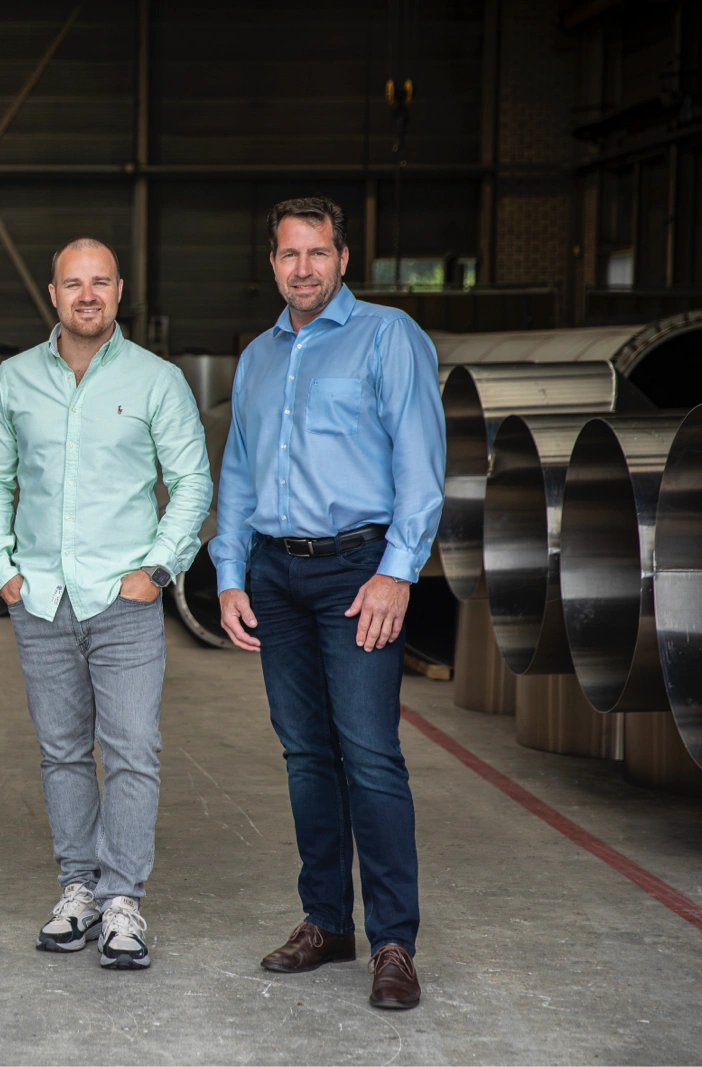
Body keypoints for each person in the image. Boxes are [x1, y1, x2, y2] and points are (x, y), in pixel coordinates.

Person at [210, 196, 444, 1010]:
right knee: (306, 753)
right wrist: (230, 571)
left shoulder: (388, 337)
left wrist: (398, 570)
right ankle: (324, 920)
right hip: (275, 576)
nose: (302, 268)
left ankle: (393, 941)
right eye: (287, 254)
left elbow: (421, 462)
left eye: (317, 252)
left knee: (371, 754)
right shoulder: (258, 357)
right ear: (271, 263)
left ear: (343, 258)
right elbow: (238, 473)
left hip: (357, 572)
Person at [0, 237, 213, 970]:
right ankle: (77, 888)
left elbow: (193, 481)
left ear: (118, 291)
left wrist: (158, 569)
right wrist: (0, 569)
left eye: (100, 282)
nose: (86, 295)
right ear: (52, 294)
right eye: (73, 283)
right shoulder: (15, 380)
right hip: (41, 597)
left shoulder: (156, 380)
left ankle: (122, 900)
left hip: (124, 598)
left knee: (133, 749)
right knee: (62, 751)